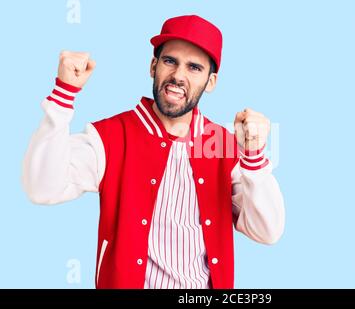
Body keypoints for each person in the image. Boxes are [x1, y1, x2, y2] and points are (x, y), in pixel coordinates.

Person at [22, 15, 285, 289]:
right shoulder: (110, 137)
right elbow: (42, 188)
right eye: (170, 61)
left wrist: (253, 155)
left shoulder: (221, 145)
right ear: (153, 66)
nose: (178, 76)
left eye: (194, 67)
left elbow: (267, 231)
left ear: (211, 82)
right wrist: (64, 94)